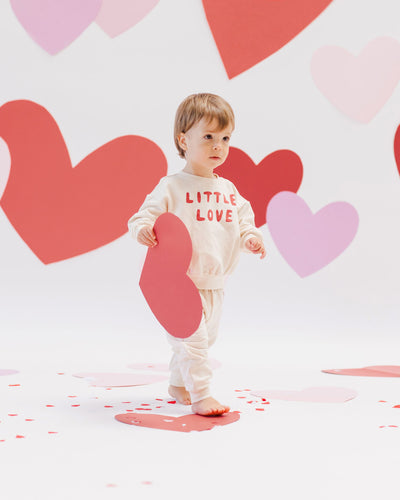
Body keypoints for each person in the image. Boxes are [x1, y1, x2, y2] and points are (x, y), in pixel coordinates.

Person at [128, 93, 265, 416]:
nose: (218, 146)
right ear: (183, 140)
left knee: (204, 339)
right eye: (208, 137)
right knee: (193, 342)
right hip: (177, 282)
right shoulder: (171, 186)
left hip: (214, 282)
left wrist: (252, 238)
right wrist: (143, 230)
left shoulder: (228, 190)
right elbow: (141, 217)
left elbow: (245, 221)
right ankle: (202, 394)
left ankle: (178, 382)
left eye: (225, 138)